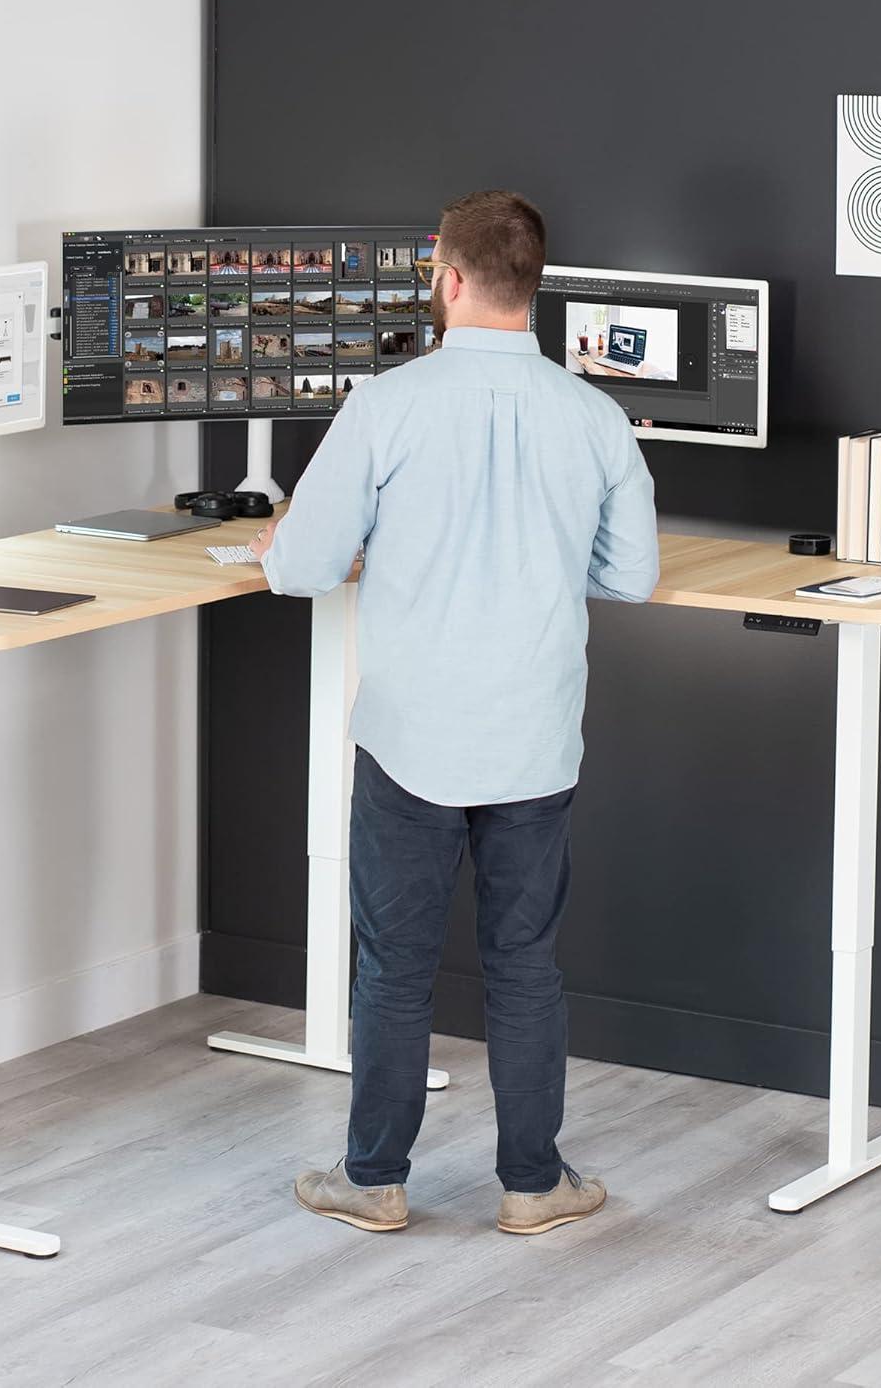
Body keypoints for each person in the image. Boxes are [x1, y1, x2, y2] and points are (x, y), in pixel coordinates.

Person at [249, 191, 659, 1235]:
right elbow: (632, 577)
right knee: (525, 965)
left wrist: (320, 540)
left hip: (412, 738)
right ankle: (534, 1186)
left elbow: (298, 568)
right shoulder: (595, 417)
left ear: (448, 277)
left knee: (395, 963)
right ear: (535, 286)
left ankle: (374, 1179)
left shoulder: (385, 407)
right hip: (533, 736)